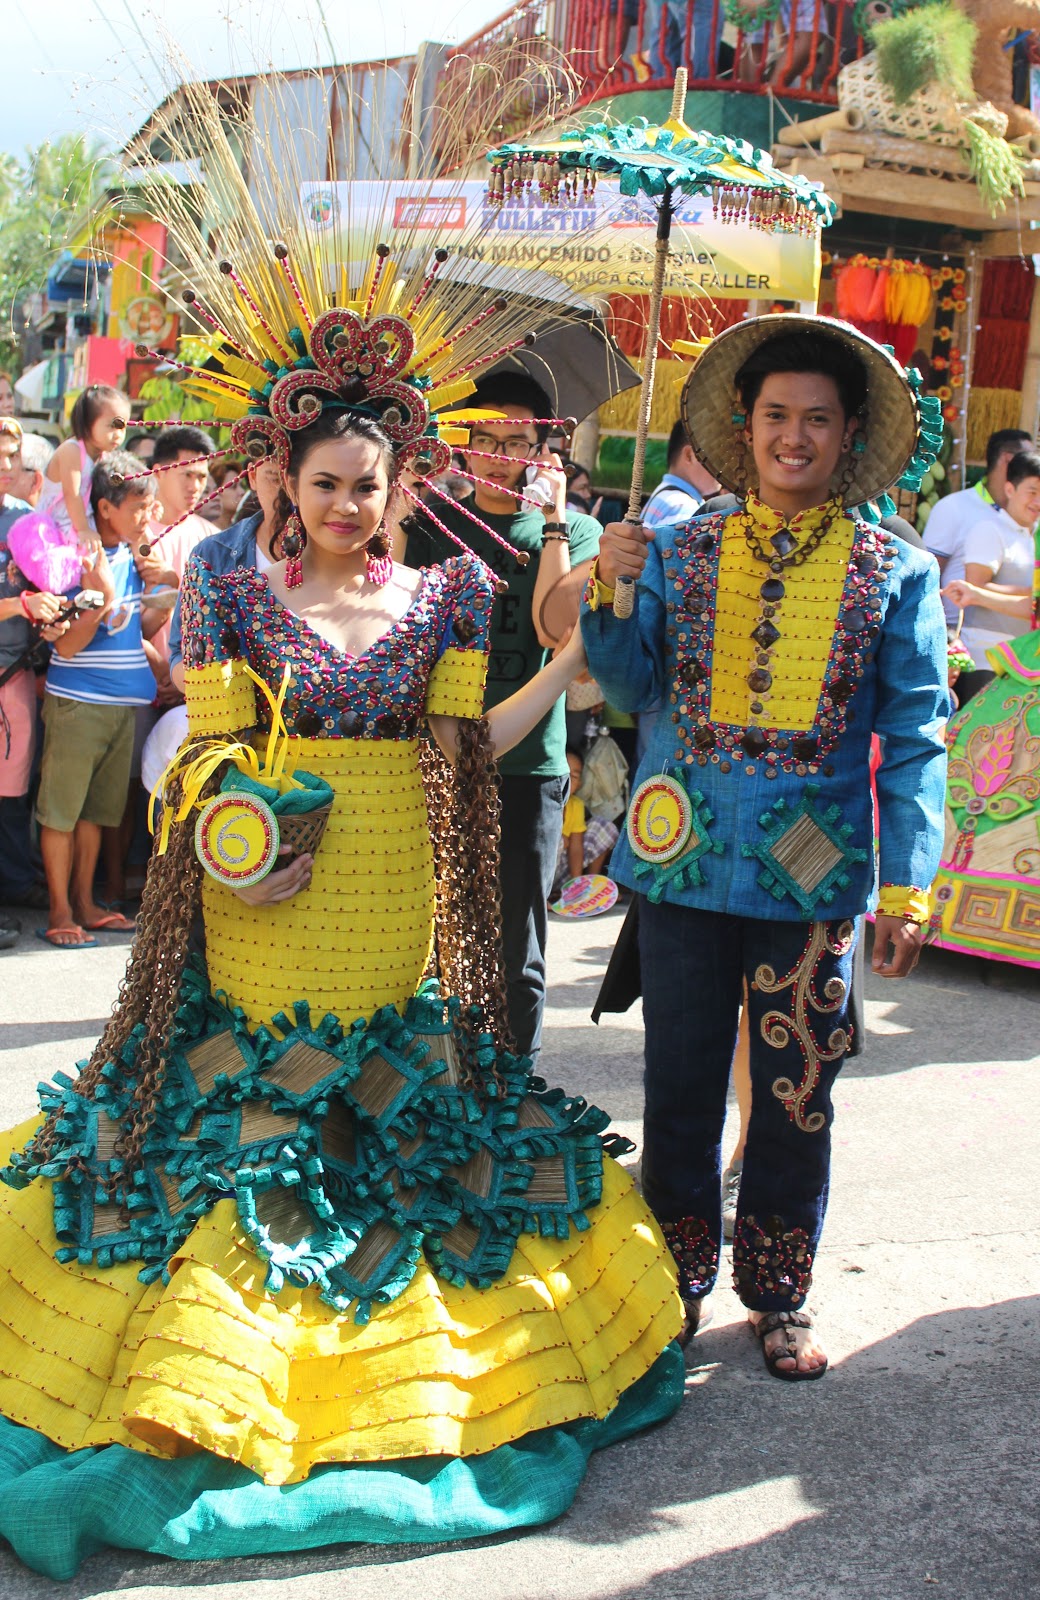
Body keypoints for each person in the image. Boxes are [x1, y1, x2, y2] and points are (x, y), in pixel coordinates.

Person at [0, 86, 683, 1577]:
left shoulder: (450, 598)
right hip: (265, 903)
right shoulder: (234, 595)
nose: (344, 507)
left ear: (398, 489)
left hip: (397, 916)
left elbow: (480, 752)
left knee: (395, 1114)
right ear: (282, 479)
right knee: (253, 1124)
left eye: (368, 489)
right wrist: (236, 818)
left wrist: (572, 661)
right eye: (322, 486)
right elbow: (196, 754)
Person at [583, 315, 949, 1380]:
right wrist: (612, 589)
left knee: (796, 1089)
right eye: (775, 416)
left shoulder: (895, 571)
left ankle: (777, 1294)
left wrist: (908, 885)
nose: (793, 437)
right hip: (683, 859)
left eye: (815, 421)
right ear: (744, 429)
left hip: (810, 873)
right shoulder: (675, 547)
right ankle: (672, 1285)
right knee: (679, 1087)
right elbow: (628, 686)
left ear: (846, 438)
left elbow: (915, 738)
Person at [404, 369, 603, 1061]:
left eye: (515, 441)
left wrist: (550, 522)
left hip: (528, 768)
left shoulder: (579, 528)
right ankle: (432, 1092)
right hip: (429, 760)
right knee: (424, 938)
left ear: (545, 446)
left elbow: (555, 632)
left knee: (515, 948)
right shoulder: (433, 522)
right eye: (483, 439)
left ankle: (514, 1098)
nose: (497, 456)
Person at [35, 452, 159, 948]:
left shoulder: (134, 556)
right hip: (77, 704)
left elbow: (133, 631)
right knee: (61, 813)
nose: (147, 517)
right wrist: (103, 598)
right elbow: (64, 643)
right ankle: (60, 911)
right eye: (138, 507)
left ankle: (87, 904)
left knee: (95, 814)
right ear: (105, 508)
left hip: (118, 709)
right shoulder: (77, 559)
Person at [0, 422, 66, 922]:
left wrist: (52, 615)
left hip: (17, 674)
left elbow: (52, 580)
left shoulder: (25, 518)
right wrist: (20, 604)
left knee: (13, 788)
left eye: (12, 456)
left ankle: (16, 883)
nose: (6, 466)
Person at [941, 449, 1040, 704]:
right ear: (1009, 490)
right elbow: (974, 587)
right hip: (985, 656)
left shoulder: (1034, 536)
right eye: (1032, 491)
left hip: (1024, 657)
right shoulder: (989, 529)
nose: (1038, 501)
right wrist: (1032, 596)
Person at [922, 426, 1031, 619]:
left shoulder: (1030, 517)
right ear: (1008, 459)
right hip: (958, 636)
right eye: (1028, 459)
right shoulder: (953, 507)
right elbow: (927, 576)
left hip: (1017, 643)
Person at [34, 383, 130, 556]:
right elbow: (73, 494)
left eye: (123, 427)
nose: (118, 434)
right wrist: (84, 529)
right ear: (88, 423)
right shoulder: (72, 450)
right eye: (112, 426)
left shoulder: (104, 456)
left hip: (79, 527)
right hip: (55, 527)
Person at [554, 745, 620, 892]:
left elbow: (576, 849)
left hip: (561, 875)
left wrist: (575, 887)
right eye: (563, 773)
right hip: (539, 876)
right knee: (556, 841)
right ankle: (540, 896)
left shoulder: (576, 805)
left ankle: (589, 886)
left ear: (579, 784)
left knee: (603, 826)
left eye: (574, 776)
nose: (567, 780)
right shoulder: (542, 803)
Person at [640, 417, 720, 533]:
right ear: (690, 455)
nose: (722, 467)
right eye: (717, 457)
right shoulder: (683, 508)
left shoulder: (666, 497)